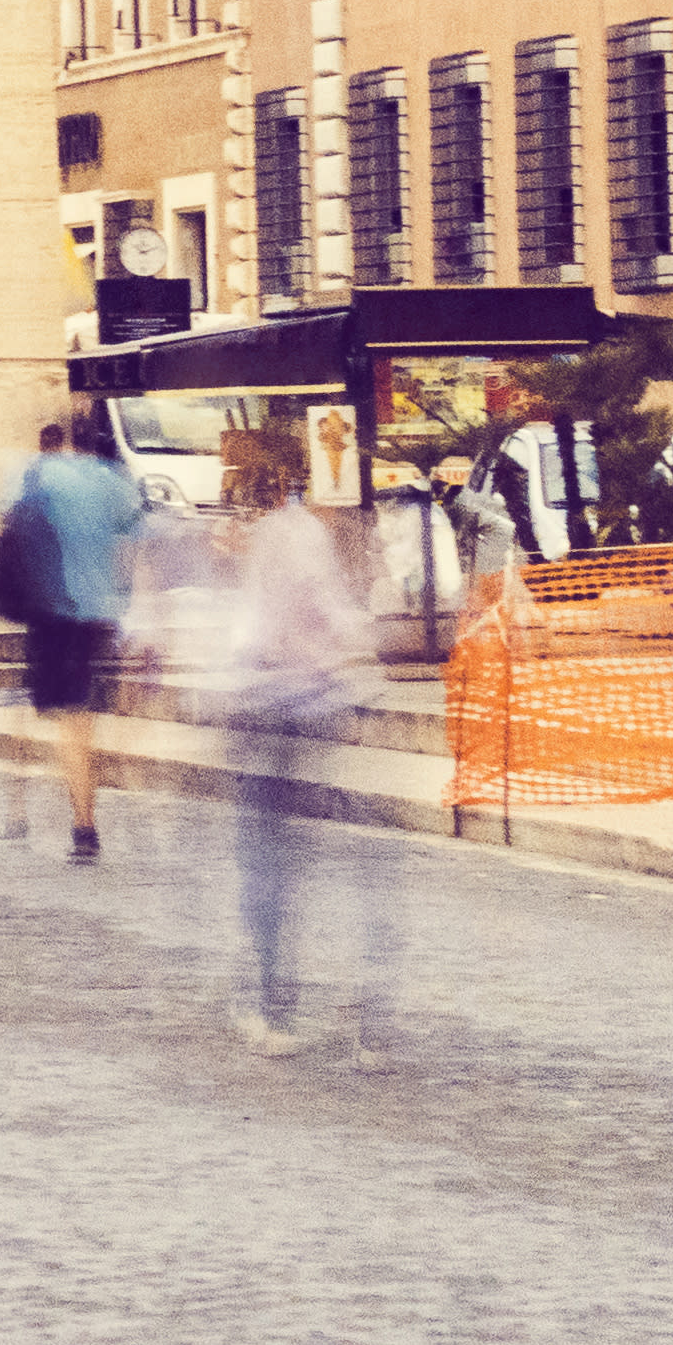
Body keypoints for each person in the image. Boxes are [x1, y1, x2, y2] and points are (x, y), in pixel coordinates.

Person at [210, 425, 381, 1060]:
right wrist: (354, 649)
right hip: (280, 710)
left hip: (287, 708)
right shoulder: (299, 537)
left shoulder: (287, 534)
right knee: (275, 864)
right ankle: (265, 999)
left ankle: (264, 995)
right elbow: (305, 616)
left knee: (276, 860)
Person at [1, 405, 143, 864]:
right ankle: (83, 816)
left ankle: (36, 810)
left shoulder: (40, 475)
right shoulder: (116, 484)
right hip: (98, 618)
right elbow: (131, 552)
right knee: (81, 721)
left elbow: (11, 532)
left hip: (51, 613)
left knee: (52, 716)